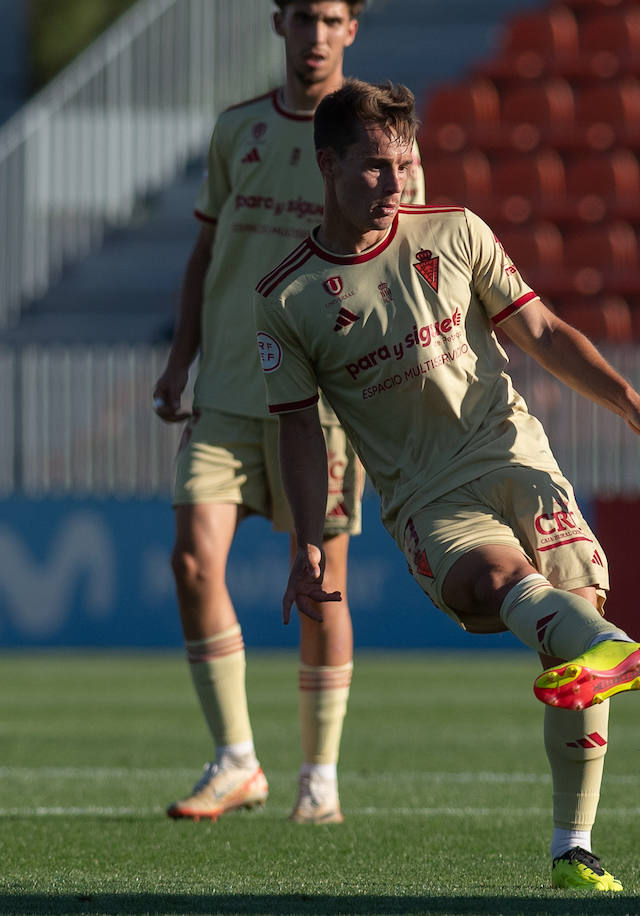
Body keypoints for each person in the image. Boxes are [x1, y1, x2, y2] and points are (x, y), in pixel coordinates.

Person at [253, 78, 640, 891]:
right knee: (495, 583)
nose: (393, 184)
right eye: (375, 167)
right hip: (426, 496)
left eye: (405, 164)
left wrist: (630, 403)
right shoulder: (288, 297)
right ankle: (605, 648)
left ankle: (572, 849)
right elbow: (298, 430)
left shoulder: (454, 232)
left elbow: (544, 331)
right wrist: (307, 542)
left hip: (515, 458)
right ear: (327, 165)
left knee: (573, 644)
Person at [152, 0, 424, 825]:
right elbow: (205, 251)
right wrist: (179, 359)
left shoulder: (380, 138)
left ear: (353, 29)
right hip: (232, 389)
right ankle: (237, 759)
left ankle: (319, 778)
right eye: (302, 16)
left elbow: (408, 257)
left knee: (322, 585)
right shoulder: (238, 129)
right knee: (194, 564)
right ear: (279, 24)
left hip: (325, 397)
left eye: (331, 17)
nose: (315, 33)